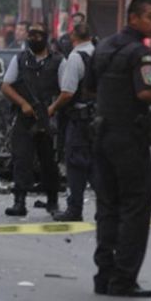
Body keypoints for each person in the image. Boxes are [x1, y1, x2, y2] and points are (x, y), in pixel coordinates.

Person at [85, 0, 151, 298]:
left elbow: (89, 88)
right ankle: (123, 279)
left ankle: (104, 275)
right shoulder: (141, 53)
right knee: (135, 208)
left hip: (102, 137)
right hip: (129, 139)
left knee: (108, 206)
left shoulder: (101, 48)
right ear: (133, 19)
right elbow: (145, 92)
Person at [0, 22, 63, 216]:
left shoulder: (59, 61)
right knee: (21, 159)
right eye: (32, 34)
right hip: (24, 117)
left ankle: (52, 201)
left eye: (39, 34)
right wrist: (23, 104)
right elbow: (6, 86)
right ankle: (19, 202)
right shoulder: (20, 59)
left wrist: (52, 109)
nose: (34, 38)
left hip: (47, 118)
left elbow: (67, 90)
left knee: (48, 162)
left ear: (46, 37)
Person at [47, 23, 96, 221]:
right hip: (99, 119)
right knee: (96, 164)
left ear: (72, 37)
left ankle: (74, 210)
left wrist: (53, 108)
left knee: (76, 164)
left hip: (80, 121)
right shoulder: (99, 54)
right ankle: (108, 208)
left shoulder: (76, 57)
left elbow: (67, 92)